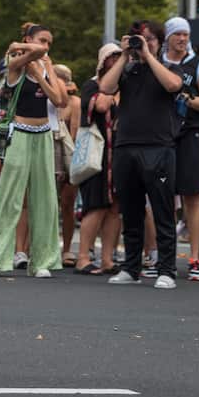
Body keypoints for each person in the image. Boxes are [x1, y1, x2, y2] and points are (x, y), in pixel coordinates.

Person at [98, 20, 184, 288]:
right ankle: (131, 268)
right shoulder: (127, 68)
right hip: (126, 146)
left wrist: (148, 55)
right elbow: (106, 88)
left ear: (159, 42)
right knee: (131, 211)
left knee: (162, 211)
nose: (142, 43)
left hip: (158, 147)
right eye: (138, 39)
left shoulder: (169, 67)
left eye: (149, 39)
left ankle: (167, 270)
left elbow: (173, 86)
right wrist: (125, 55)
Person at [0, 23, 68, 279]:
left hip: (43, 136)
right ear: (29, 39)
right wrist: (27, 50)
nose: (47, 46)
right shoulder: (16, 63)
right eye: (42, 40)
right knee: (9, 195)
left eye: (50, 42)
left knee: (45, 198)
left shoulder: (45, 66)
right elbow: (17, 52)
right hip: (19, 132)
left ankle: (42, 260)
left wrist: (45, 70)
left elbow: (59, 100)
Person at [161, 17, 199, 282]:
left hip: (190, 134)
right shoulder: (158, 62)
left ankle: (195, 257)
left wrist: (188, 99)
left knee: (193, 197)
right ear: (168, 37)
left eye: (185, 34)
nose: (182, 39)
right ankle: (162, 256)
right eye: (177, 35)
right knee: (161, 198)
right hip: (161, 135)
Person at [75, 43, 122, 275]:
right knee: (96, 205)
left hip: (119, 155)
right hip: (98, 155)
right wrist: (114, 97)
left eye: (120, 56)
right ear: (103, 61)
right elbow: (101, 105)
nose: (116, 61)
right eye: (112, 57)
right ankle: (83, 257)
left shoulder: (127, 85)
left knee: (114, 207)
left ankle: (107, 259)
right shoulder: (92, 85)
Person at [53, 63, 81, 268]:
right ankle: (47, 246)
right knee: (48, 203)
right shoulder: (48, 99)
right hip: (49, 154)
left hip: (69, 155)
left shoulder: (75, 103)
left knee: (68, 204)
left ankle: (67, 249)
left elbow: (75, 132)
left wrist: (67, 163)